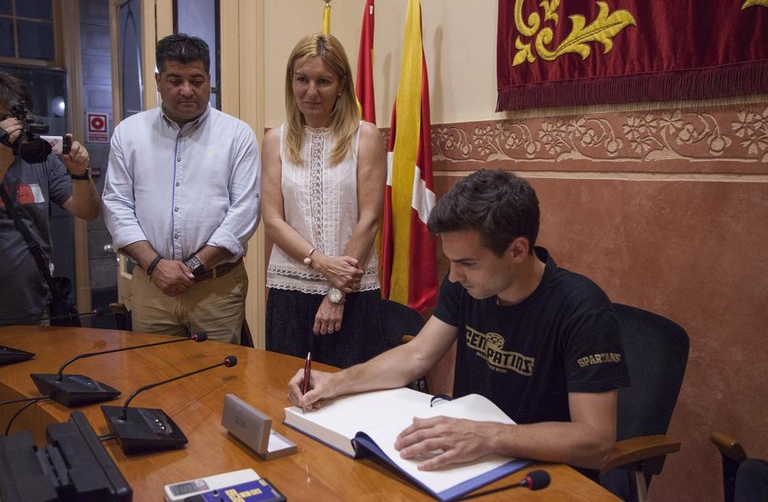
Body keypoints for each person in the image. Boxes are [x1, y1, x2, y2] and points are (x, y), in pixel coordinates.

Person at [289, 169, 630, 476]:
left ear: (517, 250)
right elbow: (415, 356)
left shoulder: (583, 310)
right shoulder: (468, 285)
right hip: (472, 459)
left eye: (467, 262)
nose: (453, 275)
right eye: (450, 261)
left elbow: (596, 441)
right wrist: (335, 383)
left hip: (545, 475)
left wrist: (489, 436)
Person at [102, 33, 260, 343]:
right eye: (175, 80)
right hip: (151, 288)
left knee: (217, 380)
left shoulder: (237, 135)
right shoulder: (129, 134)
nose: (187, 91)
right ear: (158, 81)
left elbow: (244, 213)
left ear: (209, 79)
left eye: (196, 80)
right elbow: (116, 206)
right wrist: (157, 266)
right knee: (154, 377)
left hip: (216, 289)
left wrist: (191, 268)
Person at [263, 33, 387, 368]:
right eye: (302, 79)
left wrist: (336, 293)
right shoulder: (276, 140)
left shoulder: (367, 137)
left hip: (353, 293)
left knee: (350, 400)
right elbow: (273, 220)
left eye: (323, 81)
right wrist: (320, 262)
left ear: (342, 83)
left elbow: (369, 220)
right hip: (290, 290)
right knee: (283, 391)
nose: (311, 92)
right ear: (291, 81)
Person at [0, 72, 100, 326]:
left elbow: (87, 211)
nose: (10, 129)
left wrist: (79, 174)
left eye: (14, 119)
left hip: (36, 308)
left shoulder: (40, 157)